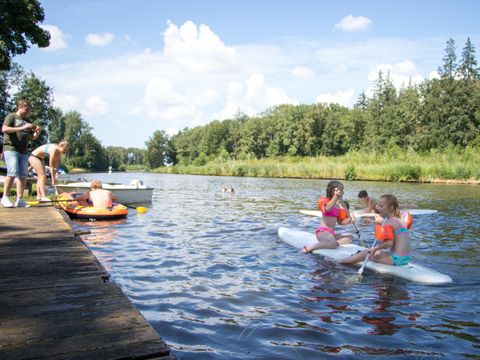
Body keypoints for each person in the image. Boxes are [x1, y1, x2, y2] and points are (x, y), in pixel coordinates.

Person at [339, 194, 411, 267]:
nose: (377, 207)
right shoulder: (399, 220)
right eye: (378, 205)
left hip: (396, 259)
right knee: (371, 250)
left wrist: (375, 248)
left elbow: (389, 243)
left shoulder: (389, 222)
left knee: (366, 253)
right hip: (405, 258)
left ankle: (340, 262)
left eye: (381, 206)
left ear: (391, 208)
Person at [1, 100, 41, 208]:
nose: (29, 111)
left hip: (23, 151)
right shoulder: (12, 116)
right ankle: (5, 197)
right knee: (12, 172)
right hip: (11, 149)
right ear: (21, 107)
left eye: (30, 109)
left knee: (23, 175)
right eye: (27, 109)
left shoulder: (27, 120)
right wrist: (22, 127)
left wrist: (36, 133)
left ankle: (20, 199)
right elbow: (4, 129)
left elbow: (31, 137)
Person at [302, 180, 354, 253]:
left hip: (331, 233)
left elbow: (340, 222)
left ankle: (333, 244)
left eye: (342, 190)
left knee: (350, 237)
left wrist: (350, 220)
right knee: (332, 242)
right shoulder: (324, 201)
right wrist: (336, 196)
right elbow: (327, 209)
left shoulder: (338, 206)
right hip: (322, 232)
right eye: (340, 190)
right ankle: (309, 248)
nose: (342, 192)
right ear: (333, 190)